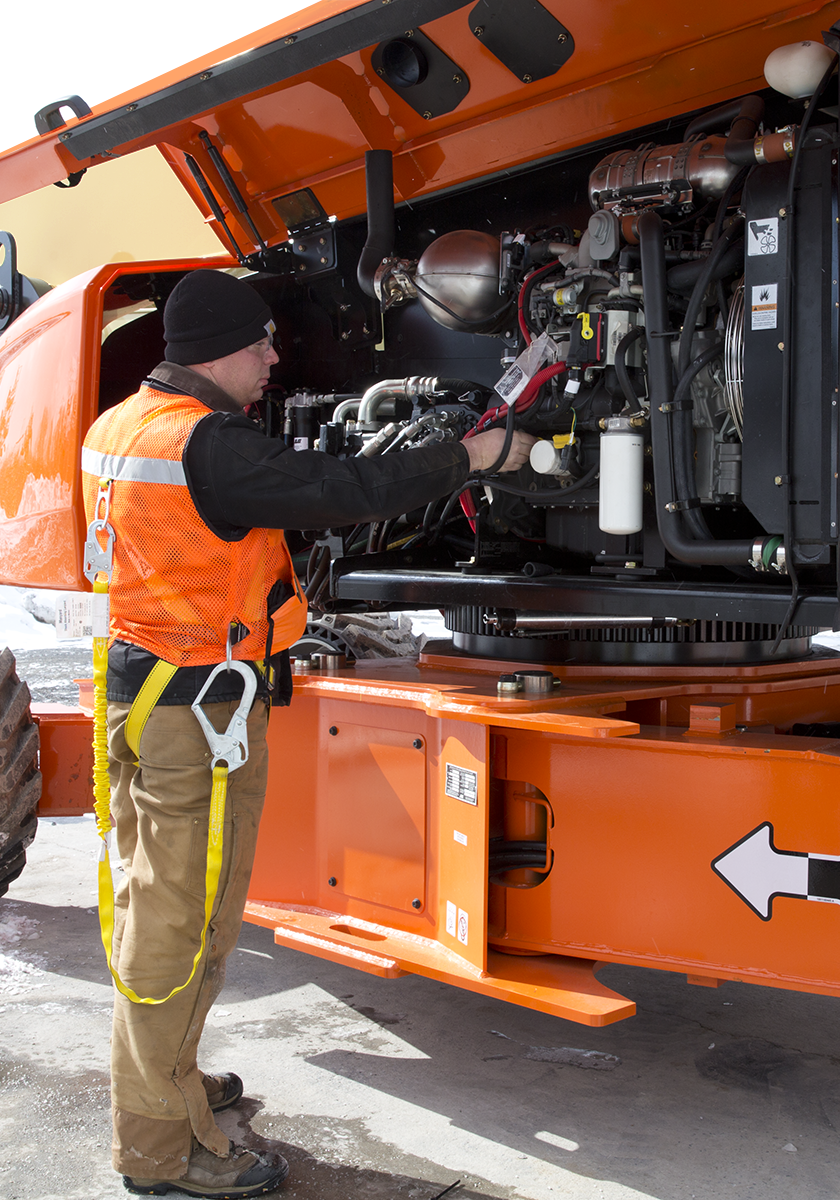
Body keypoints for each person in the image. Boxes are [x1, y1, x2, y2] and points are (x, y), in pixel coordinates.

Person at [81, 269, 534, 1198]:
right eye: (263, 345)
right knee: (181, 925)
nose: (275, 358)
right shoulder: (210, 447)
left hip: (148, 696)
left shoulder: (123, 423)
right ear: (224, 351)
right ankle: (165, 1150)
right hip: (193, 713)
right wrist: (472, 457)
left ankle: (168, 1084)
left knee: (163, 909)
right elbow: (342, 487)